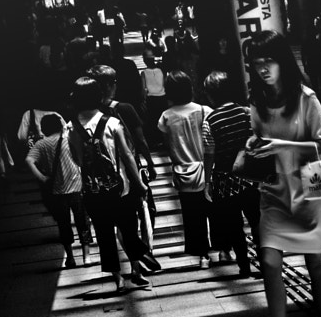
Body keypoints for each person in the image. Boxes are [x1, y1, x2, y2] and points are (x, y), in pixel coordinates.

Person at [244, 34, 321, 317]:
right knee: (268, 262)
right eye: (256, 63)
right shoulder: (256, 101)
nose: (263, 68)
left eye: (269, 60)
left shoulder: (306, 98)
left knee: (316, 264)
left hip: (312, 183)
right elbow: (254, 138)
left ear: (283, 61)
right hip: (273, 188)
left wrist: (281, 145)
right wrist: (252, 147)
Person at [72, 74, 155, 292]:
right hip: (121, 188)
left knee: (104, 235)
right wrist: (140, 183)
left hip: (93, 191)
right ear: (99, 96)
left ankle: (117, 278)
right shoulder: (113, 123)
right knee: (129, 229)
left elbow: (78, 161)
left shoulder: (72, 128)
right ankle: (137, 269)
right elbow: (127, 156)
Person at [202, 71, 258, 278]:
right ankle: (266, 261)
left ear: (210, 95)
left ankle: (244, 266)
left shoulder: (210, 121)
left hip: (225, 180)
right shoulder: (246, 112)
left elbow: (209, 154)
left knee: (234, 226)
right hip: (251, 178)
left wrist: (207, 181)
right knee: (257, 221)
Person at [156, 72, 213, 266]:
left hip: (183, 172)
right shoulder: (205, 110)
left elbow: (167, 143)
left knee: (192, 216)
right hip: (206, 169)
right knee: (213, 211)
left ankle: (202, 254)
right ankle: (224, 249)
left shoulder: (166, 117)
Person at [21, 111, 90, 269]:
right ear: (60, 126)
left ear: (44, 128)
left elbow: (29, 160)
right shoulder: (68, 138)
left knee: (63, 225)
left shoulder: (42, 144)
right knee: (82, 222)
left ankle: (70, 257)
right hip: (76, 187)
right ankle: (86, 257)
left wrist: (42, 177)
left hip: (57, 191)